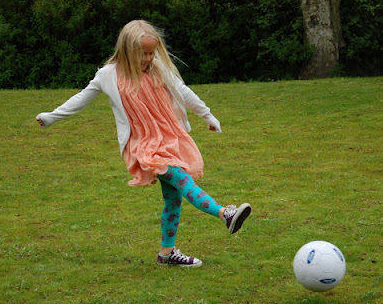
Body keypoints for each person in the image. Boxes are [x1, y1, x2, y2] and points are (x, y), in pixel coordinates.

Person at [36, 19, 251, 267]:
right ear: (127, 50)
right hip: (143, 145)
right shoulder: (109, 75)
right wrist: (51, 117)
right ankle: (225, 214)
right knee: (182, 179)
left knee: (173, 199)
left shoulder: (158, 69)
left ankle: (167, 253)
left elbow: (183, 92)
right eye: (143, 54)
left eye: (151, 53)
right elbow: (81, 99)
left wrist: (208, 115)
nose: (148, 58)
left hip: (168, 138)